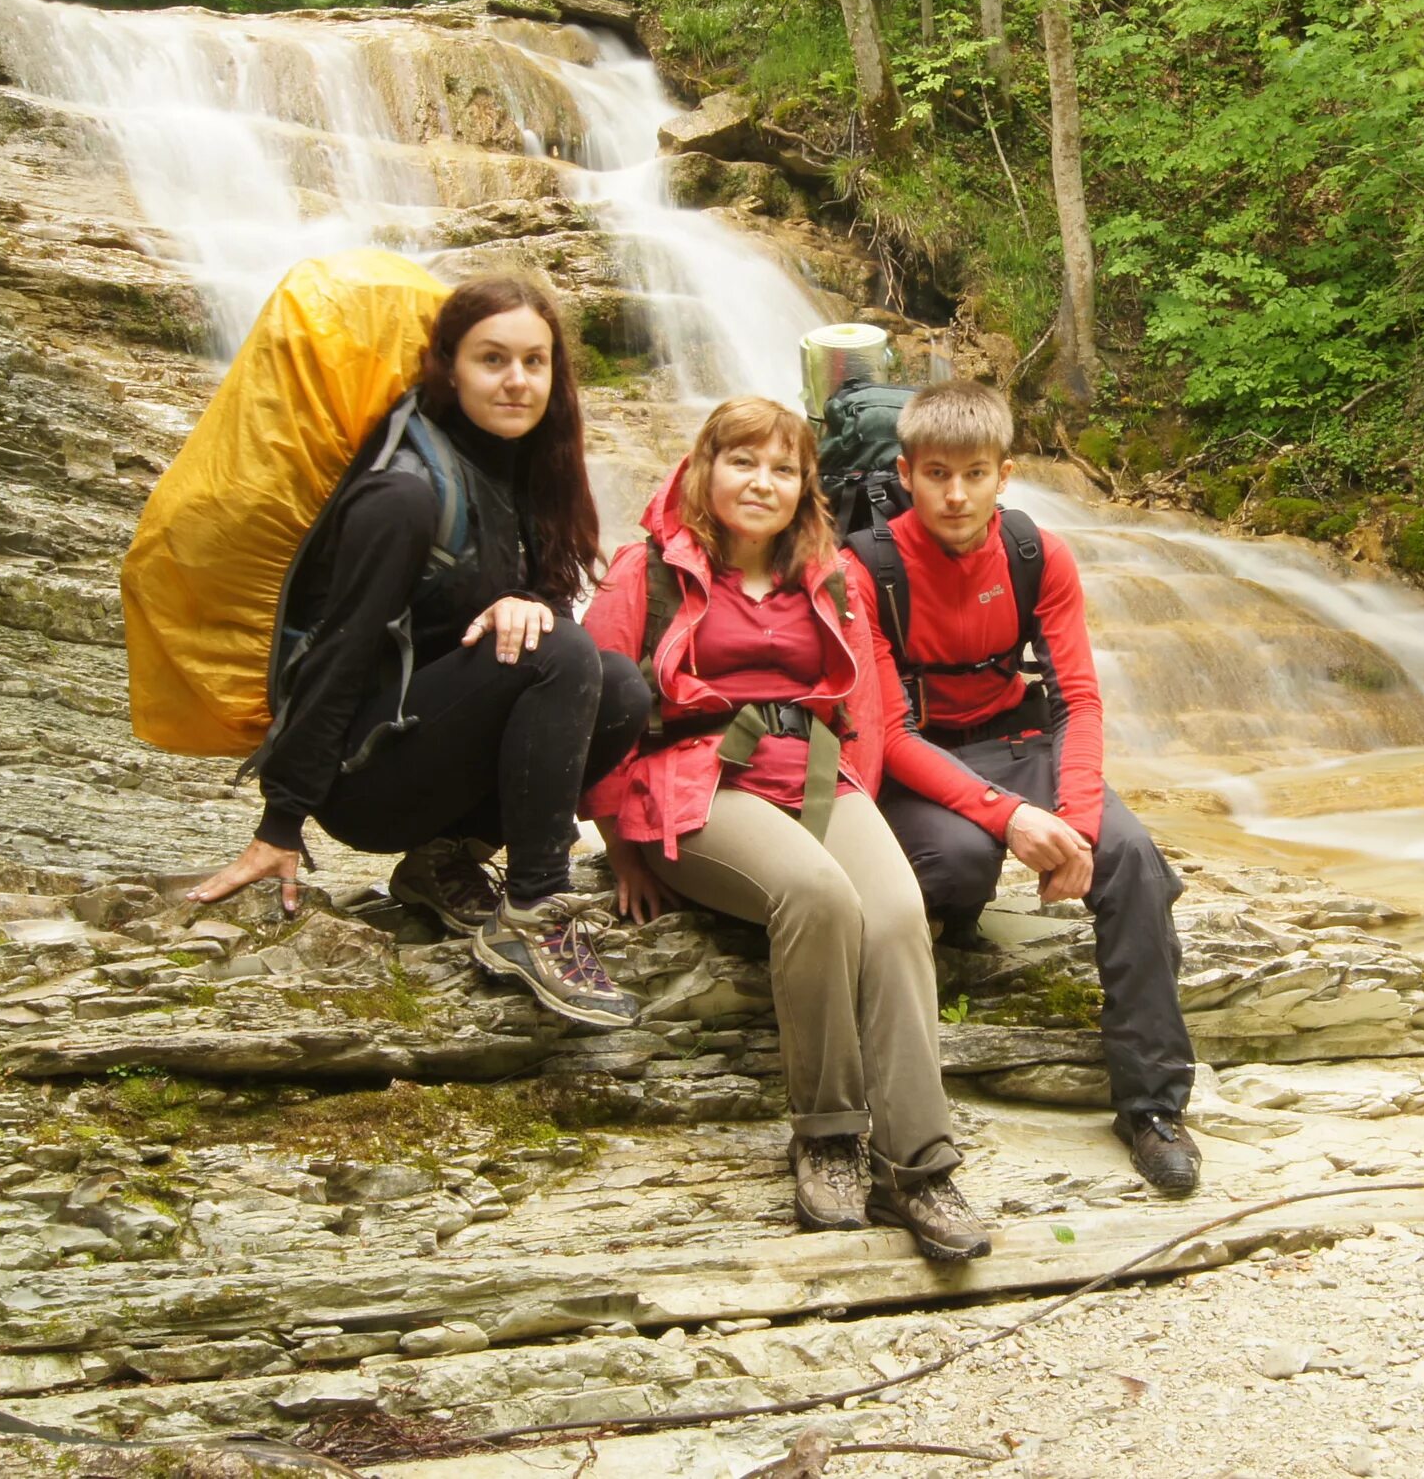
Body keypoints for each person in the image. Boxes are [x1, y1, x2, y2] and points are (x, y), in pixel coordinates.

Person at [186, 272, 649, 1031]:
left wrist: (525, 605)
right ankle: (533, 913)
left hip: (432, 750)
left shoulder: (527, 473)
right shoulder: (402, 496)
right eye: (492, 360)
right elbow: (335, 654)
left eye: (535, 363)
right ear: (448, 367)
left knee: (621, 685)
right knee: (559, 651)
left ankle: (444, 860)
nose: (516, 381)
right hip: (365, 781)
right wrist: (282, 823)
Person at [584, 397, 990, 1261]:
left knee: (894, 910)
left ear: (807, 483)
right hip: (695, 784)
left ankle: (918, 1164)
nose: (760, 482)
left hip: (813, 773)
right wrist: (618, 841)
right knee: (815, 896)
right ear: (705, 468)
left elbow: (864, 712)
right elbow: (596, 705)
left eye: (782, 467)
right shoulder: (647, 572)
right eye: (742, 461)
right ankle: (828, 1135)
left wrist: (859, 807)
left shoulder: (830, 573)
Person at [856, 381, 1202, 1196]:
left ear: (1004, 474)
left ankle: (1152, 1108)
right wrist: (1008, 819)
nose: (955, 493)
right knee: (959, 863)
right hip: (923, 758)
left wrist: (1074, 824)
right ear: (905, 474)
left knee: (1132, 860)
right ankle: (953, 936)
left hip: (1021, 738)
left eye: (974, 473)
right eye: (936, 473)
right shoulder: (864, 569)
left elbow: (1078, 698)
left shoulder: (1035, 553)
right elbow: (890, 736)